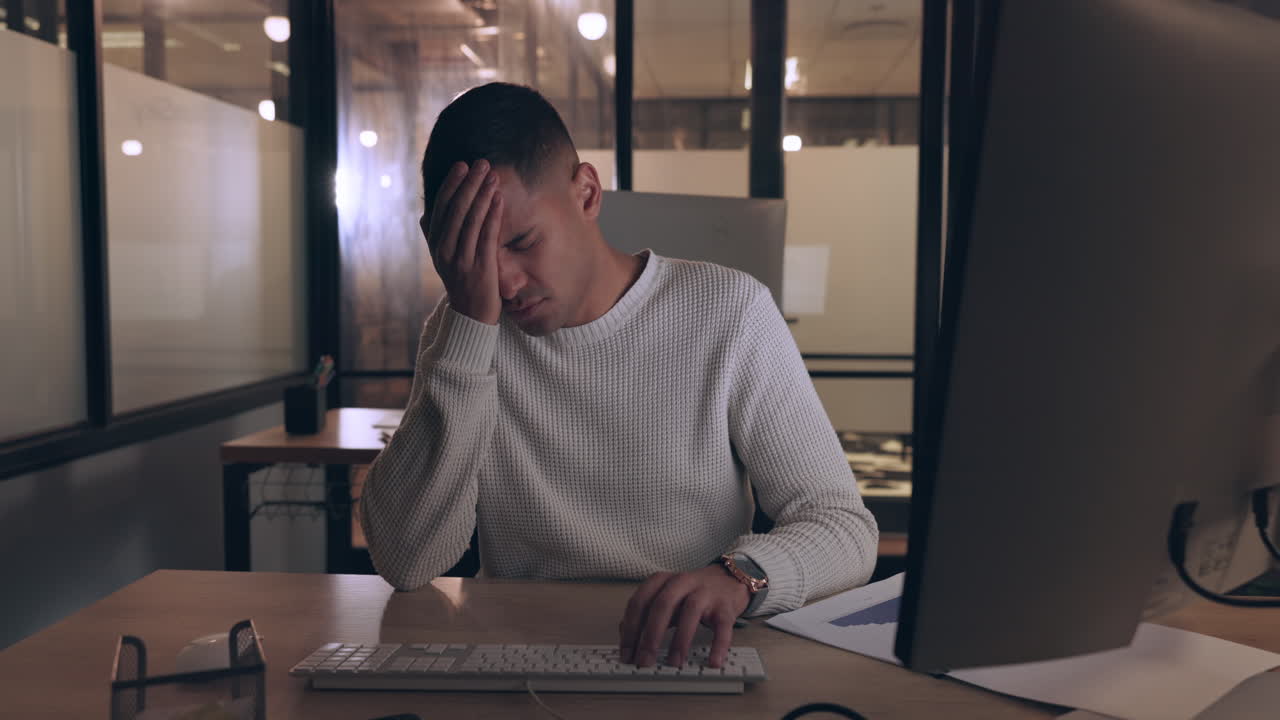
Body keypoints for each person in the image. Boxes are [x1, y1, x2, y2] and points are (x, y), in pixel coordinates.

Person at [360, 82, 878, 670]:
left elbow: (843, 527)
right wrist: (469, 327)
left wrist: (741, 576)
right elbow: (407, 560)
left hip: (683, 652)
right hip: (518, 662)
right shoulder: (465, 329)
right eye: (474, 256)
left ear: (586, 193)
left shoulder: (729, 311)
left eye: (522, 242)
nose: (503, 283)